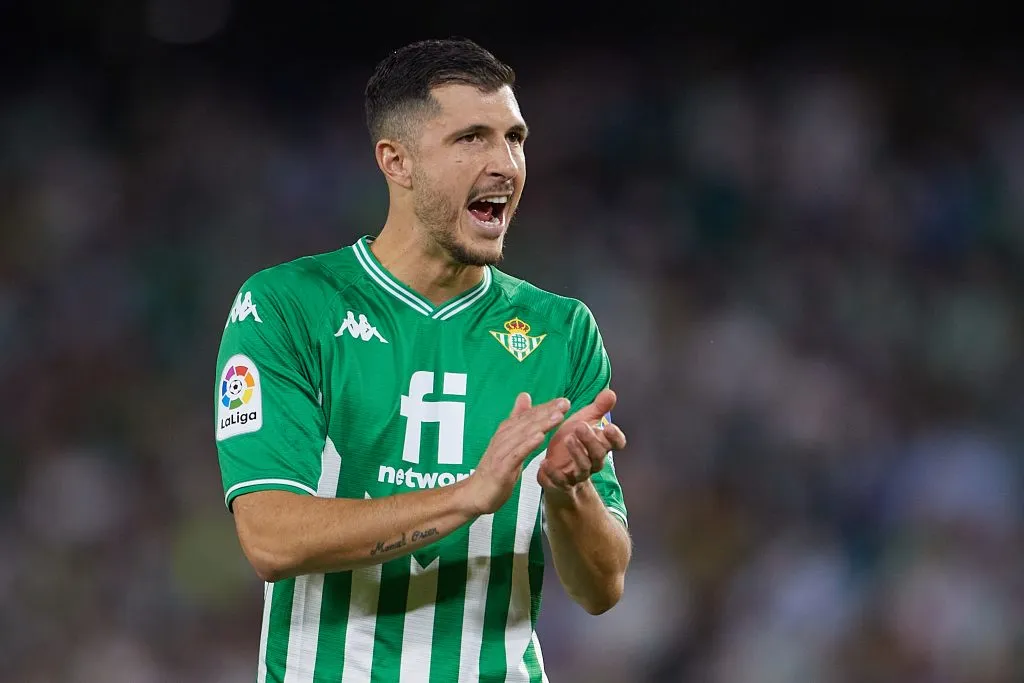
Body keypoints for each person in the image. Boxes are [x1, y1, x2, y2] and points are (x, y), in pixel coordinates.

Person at [213, 37, 632, 682]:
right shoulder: (288, 308)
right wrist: (468, 496)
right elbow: (271, 537)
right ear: (396, 160)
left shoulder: (561, 331)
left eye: (514, 138)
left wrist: (568, 492)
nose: (506, 164)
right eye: (472, 138)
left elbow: (603, 587)